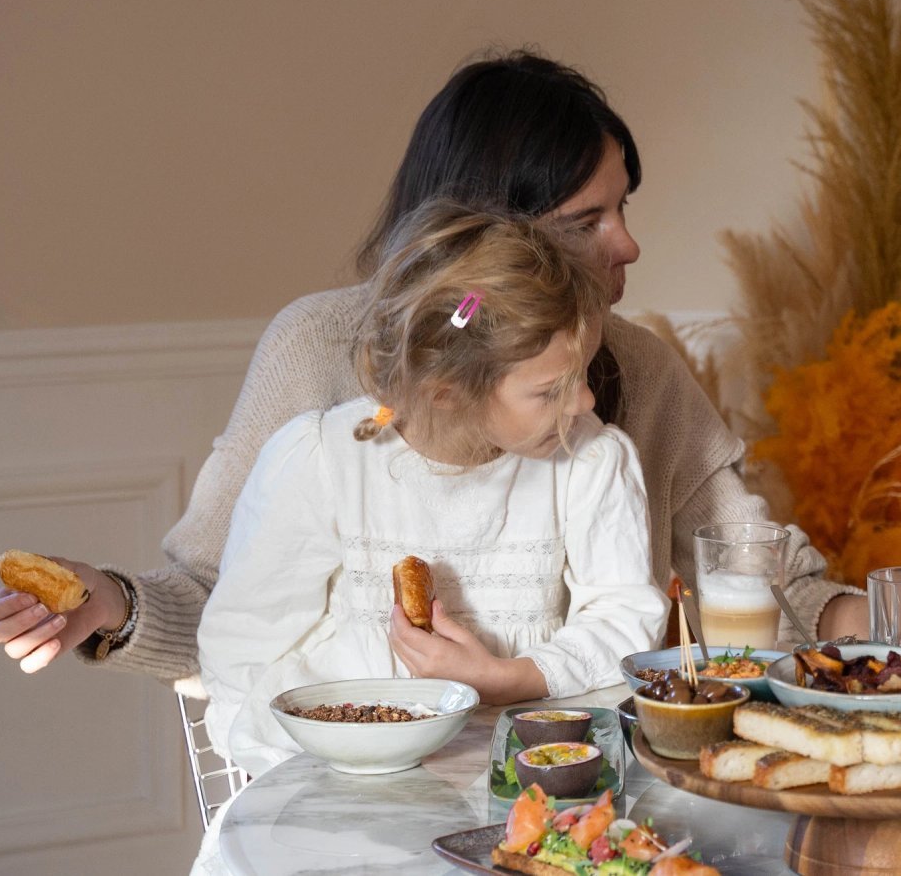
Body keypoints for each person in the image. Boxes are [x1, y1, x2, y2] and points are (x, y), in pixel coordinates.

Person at [0, 51, 865, 680]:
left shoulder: (637, 366)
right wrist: (109, 603)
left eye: (623, 207)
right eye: (584, 221)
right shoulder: (319, 352)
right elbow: (224, 597)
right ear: (487, 236)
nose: (629, 242)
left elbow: (758, 570)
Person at [199, 202, 668, 775]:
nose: (586, 403)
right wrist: (282, 768)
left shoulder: (589, 458)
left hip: (522, 768)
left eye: (585, 375)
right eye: (551, 391)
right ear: (448, 392)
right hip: (341, 768)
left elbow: (624, 616)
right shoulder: (328, 460)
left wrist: (509, 678)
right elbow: (244, 640)